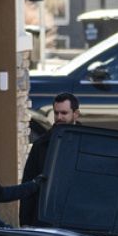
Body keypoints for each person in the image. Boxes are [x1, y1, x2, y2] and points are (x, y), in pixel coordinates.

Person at [19, 93, 80, 226]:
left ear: (76, 114)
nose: (59, 117)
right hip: (45, 218)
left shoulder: (87, 143)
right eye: (56, 113)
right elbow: (29, 183)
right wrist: (25, 223)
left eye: (64, 113)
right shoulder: (41, 145)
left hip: (77, 217)